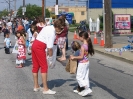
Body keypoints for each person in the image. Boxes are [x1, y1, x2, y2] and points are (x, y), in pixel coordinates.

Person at [32, 19, 65, 94]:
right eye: (61, 28)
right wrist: (50, 59)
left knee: (36, 66)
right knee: (44, 67)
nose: (62, 30)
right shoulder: (52, 33)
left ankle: (36, 86)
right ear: (58, 27)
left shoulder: (48, 27)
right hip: (40, 47)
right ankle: (45, 89)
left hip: (35, 44)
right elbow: (50, 49)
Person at [70, 31, 94, 97]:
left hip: (82, 63)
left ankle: (87, 88)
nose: (78, 38)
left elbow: (81, 57)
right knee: (85, 77)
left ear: (83, 37)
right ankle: (85, 89)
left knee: (79, 77)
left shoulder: (83, 46)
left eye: (79, 37)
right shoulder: (87, 45)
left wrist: (74, 57)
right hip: (86, 62)